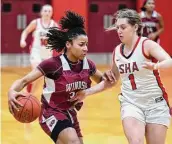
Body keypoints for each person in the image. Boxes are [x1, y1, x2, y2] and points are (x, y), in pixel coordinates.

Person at [71, 9, 172, 144]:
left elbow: (171, 62)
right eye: (117, 28)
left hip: (155, 104)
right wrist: (86, 92)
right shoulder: (117, 52)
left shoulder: (147, 45)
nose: (119, 31)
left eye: (123, 27)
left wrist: (156, 66)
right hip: (131, 103)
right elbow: (111, 81)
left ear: (135, 27)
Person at [8, 11, 114, 144]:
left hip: (70, 113)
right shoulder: (53, 64)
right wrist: (11, 91)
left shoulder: (88, 64)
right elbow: (24, 81)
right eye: (81, 45)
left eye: (86, 44)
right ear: (68, 44)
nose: (85, 48)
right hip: (51, 112)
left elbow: (106, 83)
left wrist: (103, 81)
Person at [20, 4, 58, 94]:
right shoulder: (36, 22)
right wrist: (22, 40)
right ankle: (29, 93)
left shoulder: (53, 25)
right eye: (45, 11)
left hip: (47, 54)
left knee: (40, 77)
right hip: (36, 52)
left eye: (49, 11)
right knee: (37, 72)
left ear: (52, 13)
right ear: (41, 12)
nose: (47, 13)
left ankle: (30, 92)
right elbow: (25, 31)